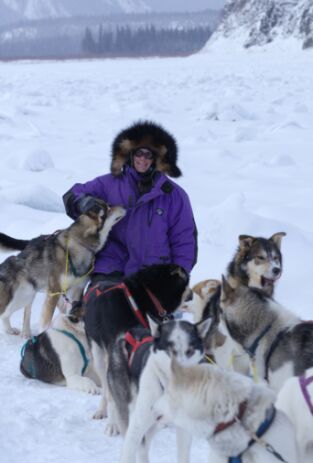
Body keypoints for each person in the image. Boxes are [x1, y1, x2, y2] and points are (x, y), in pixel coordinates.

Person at [63, 120, 197, 289]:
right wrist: (84, 203)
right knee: (103, 310)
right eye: (138, 153)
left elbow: (184, 240)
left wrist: (178, 276)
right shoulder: (110, 184)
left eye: (149, 155)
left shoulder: (174, 196)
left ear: (157, 159)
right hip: (111, 267)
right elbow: (72, 194)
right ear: (130, 155)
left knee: (148, 314)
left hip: (155, 273)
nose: (143, 159)